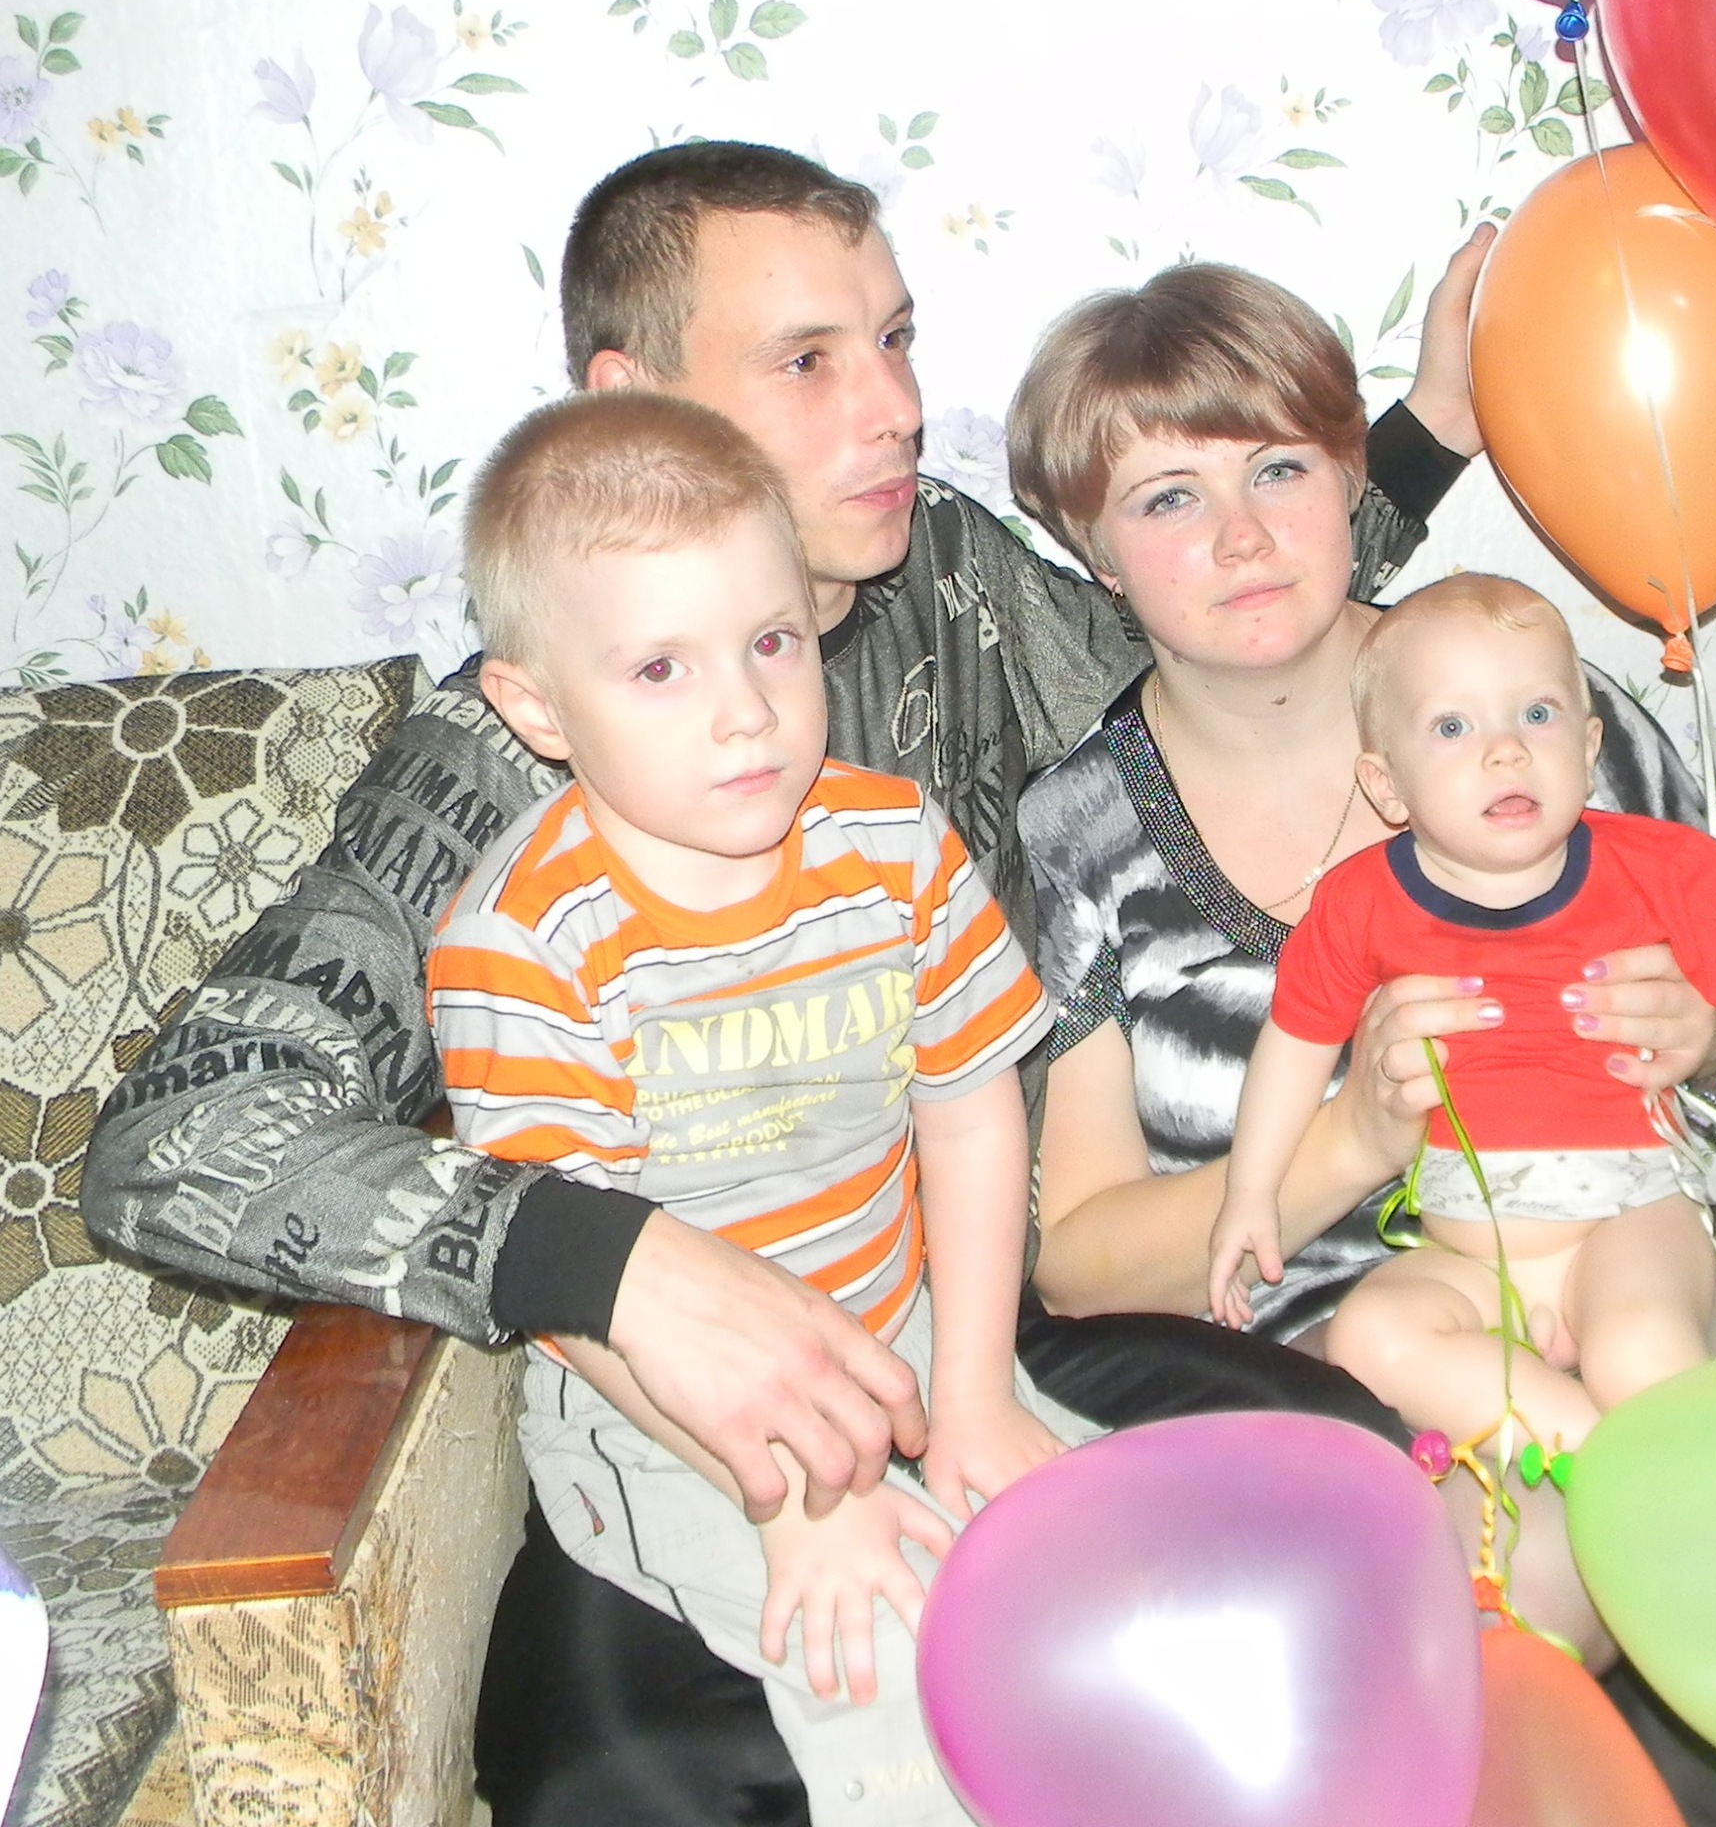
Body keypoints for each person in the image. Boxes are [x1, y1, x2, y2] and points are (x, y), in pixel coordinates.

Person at [83, 139, 1516, 1824]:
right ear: (637, 401)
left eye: (895, 341)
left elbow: (1204, 601)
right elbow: (178, 1139)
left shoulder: (943, 575)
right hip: (672, 1417)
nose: (896, 408)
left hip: (976, 1324)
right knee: (621, 1781)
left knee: (1339, 1503)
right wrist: (610, 1262)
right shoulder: (502, 761)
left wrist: (1429, 429)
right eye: (810, 361)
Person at [1007, 264, 1716, 1826]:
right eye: (1166, 498)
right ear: (1089, 546)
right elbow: (1077, 1266)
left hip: (1612, 1229)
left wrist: (1695, 1037)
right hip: (1321, 1332)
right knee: (1532, 1565)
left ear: (1351, 474)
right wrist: (1348, 1138)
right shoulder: (1072, 833)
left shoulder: (1545, 709)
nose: (1241, 537)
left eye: (1278, 469)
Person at [430, 392, 1074, 1821]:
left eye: (772, 642)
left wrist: (975, 1391)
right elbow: (576, 1286)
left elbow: (971, 1109)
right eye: (661, 667)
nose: (746, 711)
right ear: (537, 707)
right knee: (890, 1669)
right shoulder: (526, 939)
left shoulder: (892, 843)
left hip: (899, 1328)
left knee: (1085, 1576)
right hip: (660, 1415)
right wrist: (801, 1499)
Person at [1209, 573, 1716, 1462]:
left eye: (1536, 715)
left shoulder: (1666, 868)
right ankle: (1603, 1459)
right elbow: (1294, 1044)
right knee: (1372, 1335)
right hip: (1470, 1256)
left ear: (1589, 744)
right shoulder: (1357, 902)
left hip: (1629, 1219)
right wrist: (1251, 1192)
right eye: (1452, 728)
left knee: (1638, 1348)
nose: (1505, 752)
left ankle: (1659, 1465)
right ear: (1387, 783)